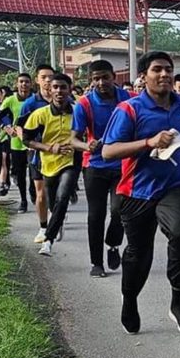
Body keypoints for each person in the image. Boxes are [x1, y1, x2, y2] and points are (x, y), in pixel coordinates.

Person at [103, 52, 180, 335]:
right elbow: (109, 151)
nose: (164, 75)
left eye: (168, 70)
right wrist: (148, 142)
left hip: (176, 185)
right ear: (143, 76)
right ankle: (130, 300)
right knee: (138, 253)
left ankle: (177, 299)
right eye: (157, 69)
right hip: (136, 190)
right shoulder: (129, 109)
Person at [71, 60, 130, 277]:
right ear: (91, 80)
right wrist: (87, 145)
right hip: (95, 165)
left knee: (119, 210)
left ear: (114, 77)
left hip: (122, 163)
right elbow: (73, 139)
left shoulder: (128, 99)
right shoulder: (84, 104)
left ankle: (113, 243)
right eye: (96, 78)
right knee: (96, 214)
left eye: (105, 77)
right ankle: (96, 263)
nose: (101, 82)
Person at [24, 74, 78, 256]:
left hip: (72, 161)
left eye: (63, 87)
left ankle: (48, 241)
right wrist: (49, 147)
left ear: (69, 89)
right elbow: (27, 140)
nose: (59, 91)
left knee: (63, 197)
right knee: (54, 201)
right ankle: (58, 219)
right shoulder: (40, 114)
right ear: (50, 90)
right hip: (48, 163)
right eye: (55, 87)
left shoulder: (78, 111)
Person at [19, 64, 57, 242]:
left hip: (60, 154)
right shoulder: (30, 103)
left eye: (51, 76)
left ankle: (57, 219)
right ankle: (43, 227)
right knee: (40, 192)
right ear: (37, 80)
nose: (48, 80)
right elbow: (19, 126)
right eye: (44, 77)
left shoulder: (65, 100)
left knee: (56, 193)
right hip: (37, 153)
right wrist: (26, 142)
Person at [0, 73, 34, 212]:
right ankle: (23, 200)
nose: (24, 84)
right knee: (20, 174)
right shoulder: (10, 100)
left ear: (31, 84)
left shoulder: (35, 99)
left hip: (33, 142)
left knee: (34, 172)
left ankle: (33, 191)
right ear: (17, 84)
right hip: (16, 142)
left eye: (26, 82)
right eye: (21, 82)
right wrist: (6, 127)